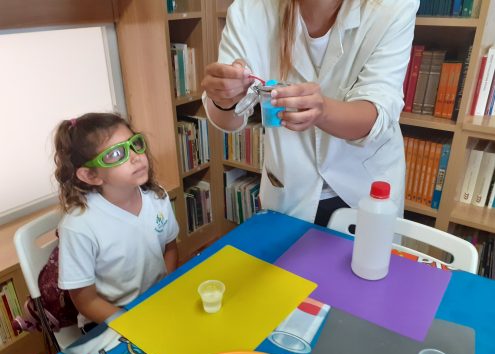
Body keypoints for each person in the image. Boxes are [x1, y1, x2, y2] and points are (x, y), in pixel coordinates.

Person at [202, 0, 419, 226]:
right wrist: (224, 97)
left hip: (364, 189)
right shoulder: (250, 10)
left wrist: (323, 111)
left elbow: (377, 112)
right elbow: (226, 118)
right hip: (290, 188)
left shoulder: (391, 6)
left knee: (366, 260)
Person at [54, 113, 179, 333]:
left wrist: (165, 288)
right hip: (108, 320)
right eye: (116, 154)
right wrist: (132, 321)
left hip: (156, 303)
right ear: (91, 175)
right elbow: (85, 300)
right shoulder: (78, 226)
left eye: (135, 144)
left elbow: (170, 247)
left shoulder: (157, 197)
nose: (136, 157)